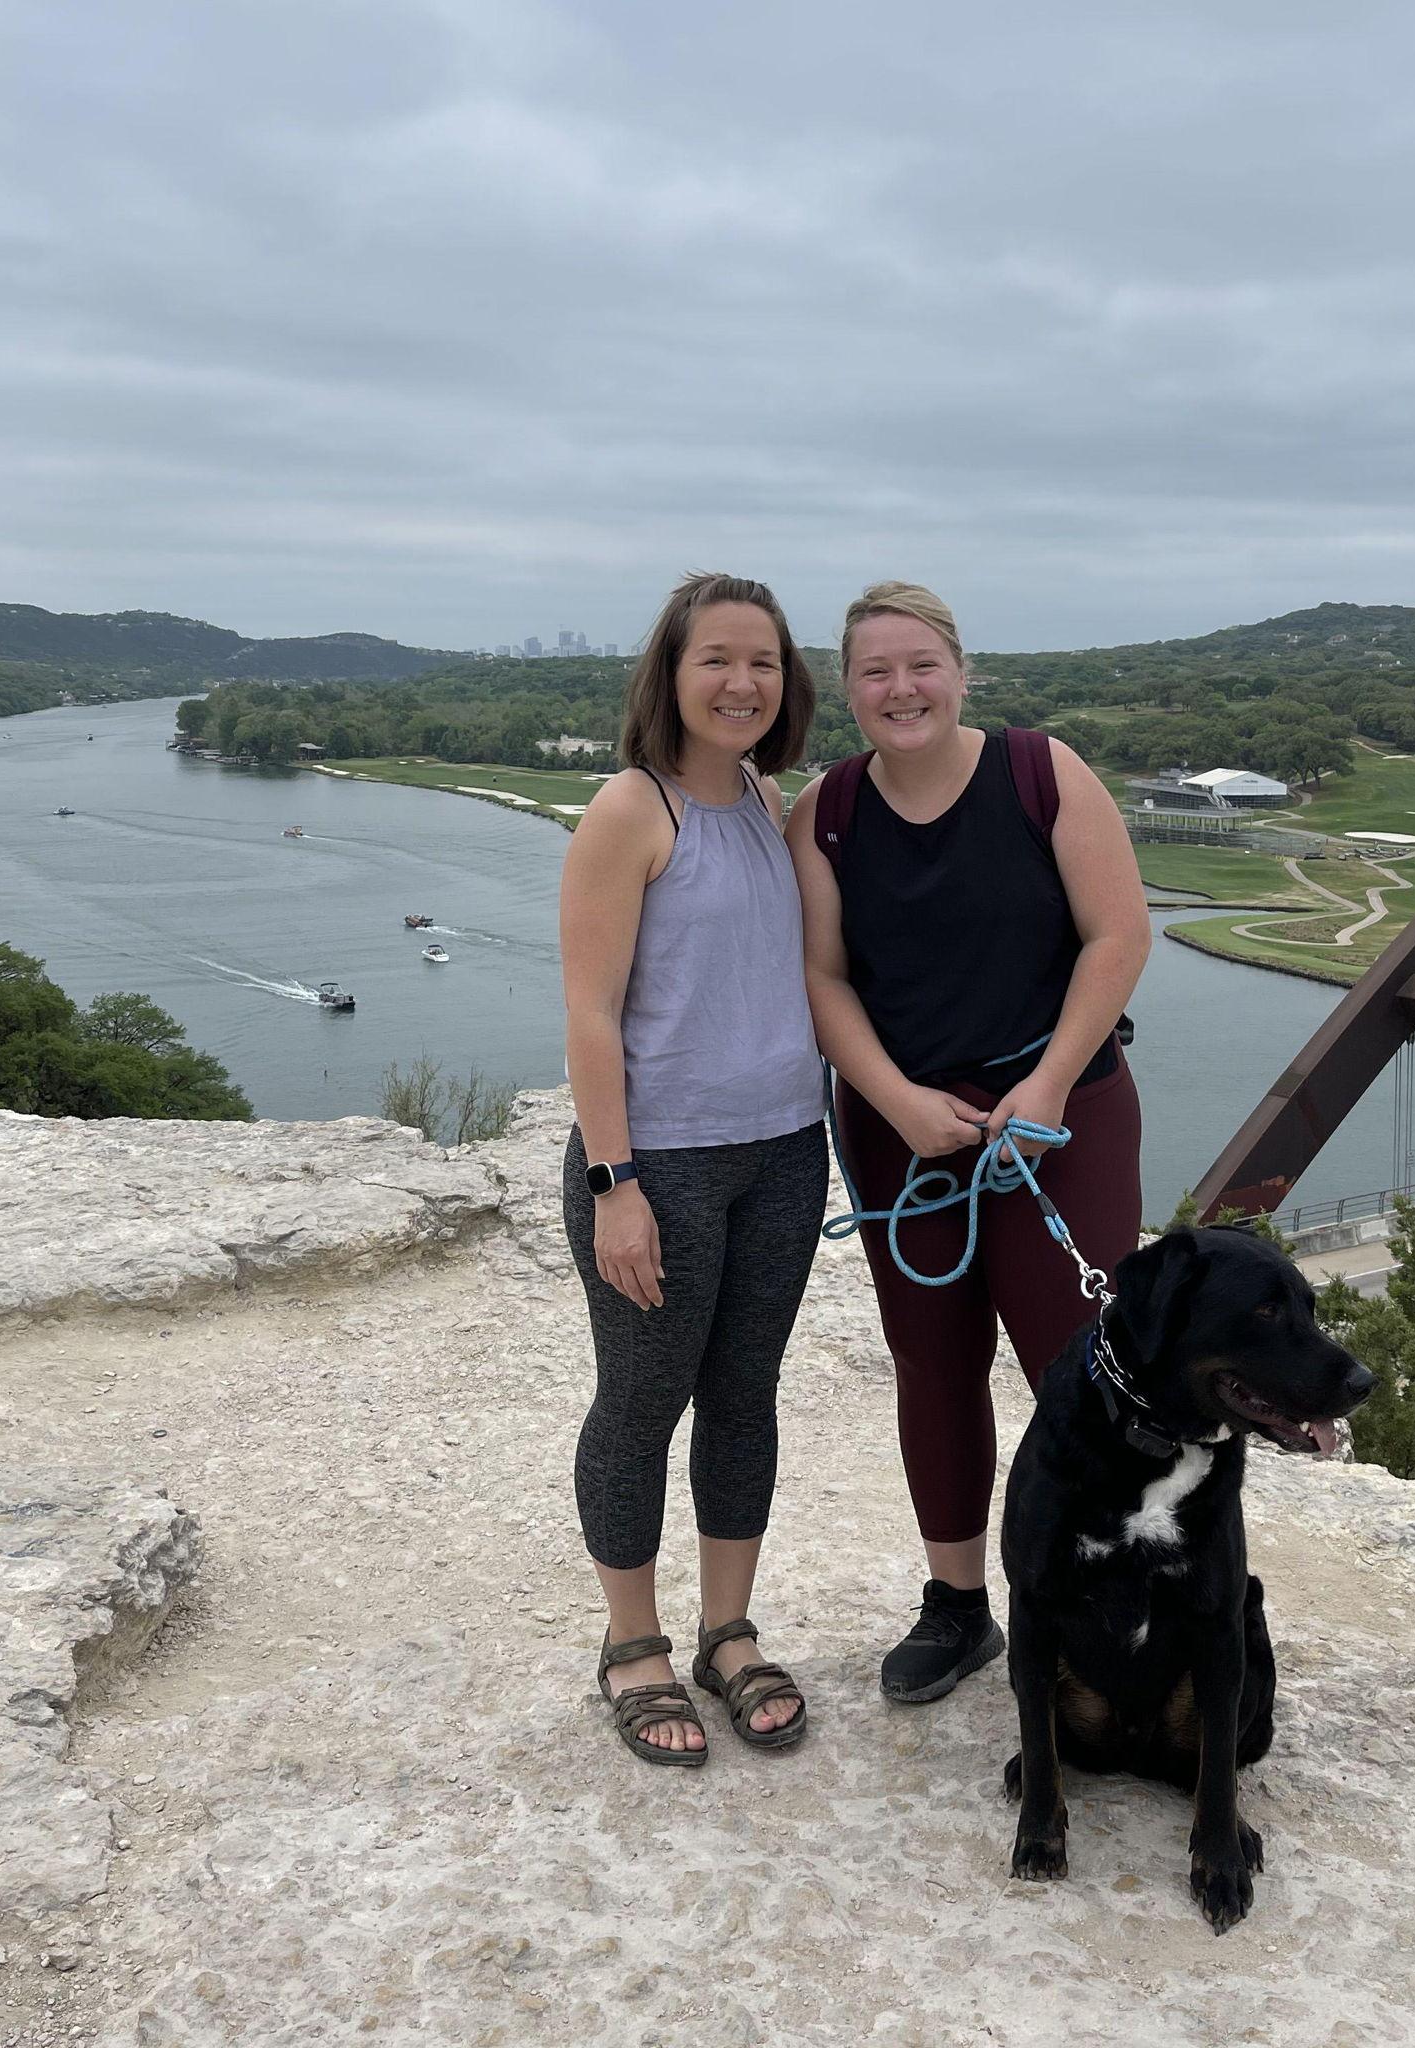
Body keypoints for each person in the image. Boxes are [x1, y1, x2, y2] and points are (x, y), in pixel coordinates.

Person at [785, 581, 1152, 1702]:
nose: (900, 689)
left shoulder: (1044, 774)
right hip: (907, 1132)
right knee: (932, 1364)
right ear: (847, 691)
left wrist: (1043, 1085)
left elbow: (1116, 933)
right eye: (873, 672)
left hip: (1061, 1117)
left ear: (960, 669)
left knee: (1086, 1371)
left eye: (919, 664)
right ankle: (956, 1607)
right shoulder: (827, 813)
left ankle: (1106, 1601)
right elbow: (822, 975)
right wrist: (893, 1097)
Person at [560, 572, 828, 1765]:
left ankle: (727, 1626)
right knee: (641, 1399)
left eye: (762, 661)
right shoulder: (632, 808)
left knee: (743, 1394)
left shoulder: (769, 802)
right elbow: (588, 1011)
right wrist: (614, 1181)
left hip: (781, 1149)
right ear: (669, 673)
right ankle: (634, 1644)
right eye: (715, 658)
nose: (741, 682)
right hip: (659, 1162)